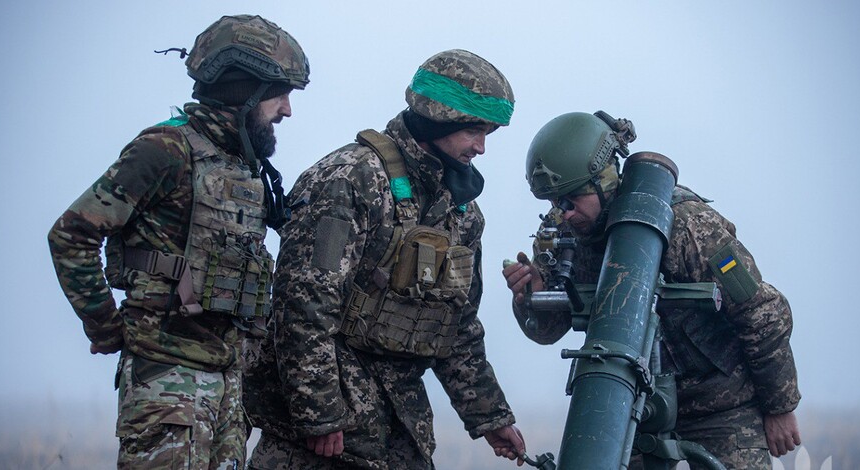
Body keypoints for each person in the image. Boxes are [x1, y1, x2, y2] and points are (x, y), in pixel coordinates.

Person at [47, 14, 309, 469]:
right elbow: (72, 234)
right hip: (167, 384)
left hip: (228, 387)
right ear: (243, 89)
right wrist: (105, 326)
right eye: (279, 93)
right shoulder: (165, 149)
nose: (287, 110)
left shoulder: (241, 163)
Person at [243, 49, 525, 469]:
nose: (481, 147)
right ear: (438, 118)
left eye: (488, 133)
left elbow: (457, 325)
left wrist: (490, 416)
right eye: (473, 131)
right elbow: (303, 303)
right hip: (321, 438)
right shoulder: (351, 178)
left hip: (399, 430)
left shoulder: (461, 212)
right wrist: (319, 414)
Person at [502, 111, 801, 469]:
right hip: (632, 404)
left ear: (603, 181)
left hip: (722, 406)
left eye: (572, 199)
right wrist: (529, 299)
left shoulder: (689, 226)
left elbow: (762, 313)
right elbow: (548, 331)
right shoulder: (562, 236)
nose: (562, 213)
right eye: (553, 202)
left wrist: (779, 407)